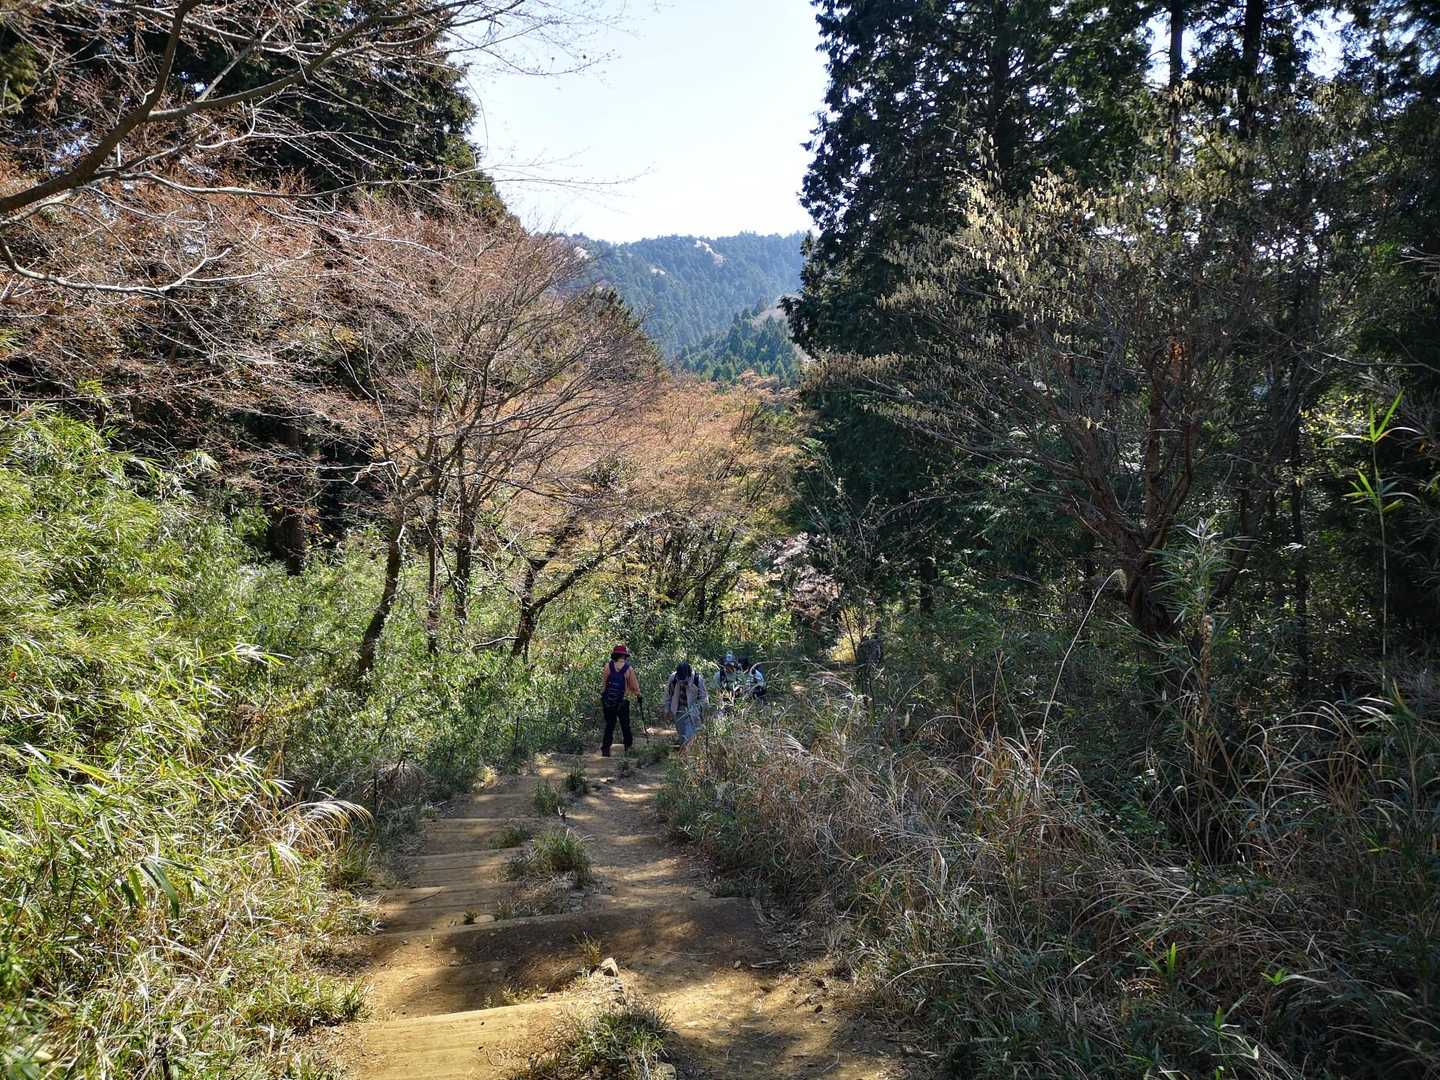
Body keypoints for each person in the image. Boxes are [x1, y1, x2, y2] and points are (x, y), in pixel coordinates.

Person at [599, 644, 642, 757]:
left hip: (608, 701)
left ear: (615, 655)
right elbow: (634, 686)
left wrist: (603, 696)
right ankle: (628, 748)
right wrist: (638, 695)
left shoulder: (608, 666)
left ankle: (605, 749)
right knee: (625, 725)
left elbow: (604, 683)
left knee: (609, 725)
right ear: (624, 656)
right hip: (622, 701)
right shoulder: (628, 669)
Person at [664, 660, 708, 751]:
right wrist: (667, 710)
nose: (682, 681)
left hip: (693, 710)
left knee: (689, 735)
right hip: (678, 709)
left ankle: (687, 755)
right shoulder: (673, 678)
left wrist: (698, 709)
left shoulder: (697, 679)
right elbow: (668, 695)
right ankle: (683, 753)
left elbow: (703, 698)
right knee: (682, 735)